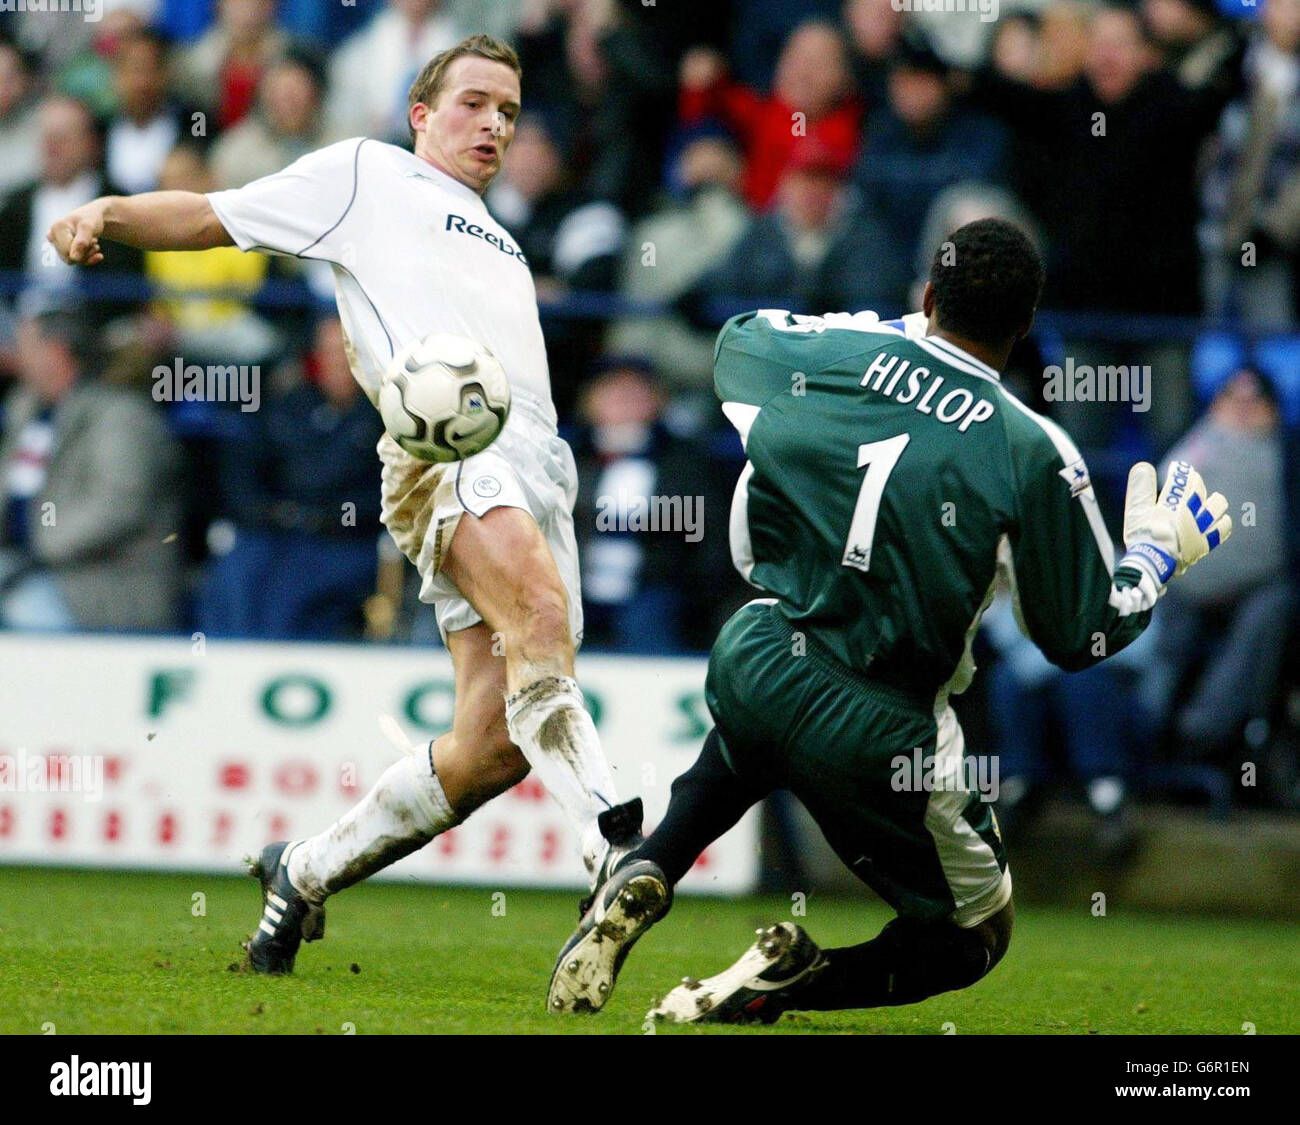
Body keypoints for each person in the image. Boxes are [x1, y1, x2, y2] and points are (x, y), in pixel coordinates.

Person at [46, 33, 642, 975]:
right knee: (539, 609)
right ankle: (612, 849)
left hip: (542, 462)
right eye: (474, 103)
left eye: (510, 113)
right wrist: (108, 212)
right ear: (420, 113)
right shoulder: (367, 175)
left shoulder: (502, 237)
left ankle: (306, 869)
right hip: (446, 445)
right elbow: (212, 214)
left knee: (493, 746)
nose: (493, 124)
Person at [545, 219, 1233, 1020]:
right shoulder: (1034, 449)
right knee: (976, 932)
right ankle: (782, 986)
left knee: (748, 743)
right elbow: (1077, 638)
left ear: (929, 294)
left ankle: (653, 862)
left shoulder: (831, 357)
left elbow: (737, 340)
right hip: (884, 721)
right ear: (1024, 326)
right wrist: (1153, 561)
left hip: (762, 648)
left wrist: (871, 337)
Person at [0, 305, 182, 632]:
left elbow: (119, 504)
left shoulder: (121, 416)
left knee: (23, 608)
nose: (16, 357)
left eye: (25, 347)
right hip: (22, 567)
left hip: (102, 583)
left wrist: (40, 546)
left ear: (56, 353)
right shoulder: (27, 411)